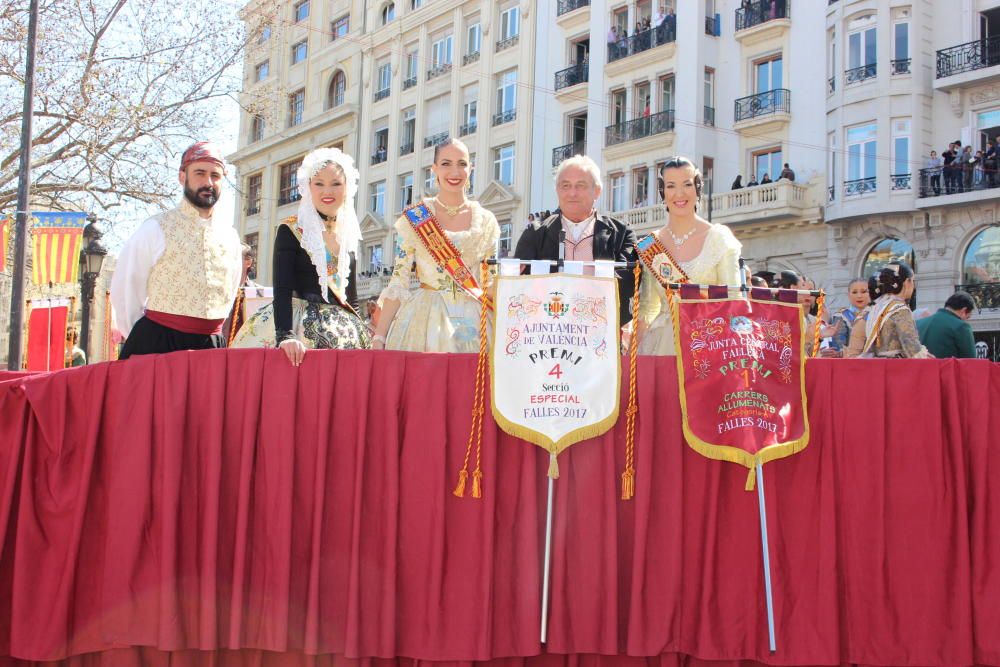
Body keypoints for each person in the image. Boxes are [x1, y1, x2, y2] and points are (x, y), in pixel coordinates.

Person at [232, 148, 370, 363]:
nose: (328, 191)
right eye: (319, 183)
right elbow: (283, 288)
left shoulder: (348, 234)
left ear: (347, 187)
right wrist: (285, 335)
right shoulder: (291, 229)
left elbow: (349, 296)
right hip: (298, 326)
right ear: (308, 187)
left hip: (343, 332)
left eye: (336, 184)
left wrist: (362, 330)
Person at [111, 141, 242, 359]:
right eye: (200, 173)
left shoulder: (230, 237)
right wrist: (138, 336)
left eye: (215, 176)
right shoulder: (155, 227)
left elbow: (229, 294)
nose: (208, 182)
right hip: (158, 344)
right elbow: (126, 286)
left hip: (211, 346)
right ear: (183, 176)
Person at [372, 138, 499, 352]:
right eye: (446, 164)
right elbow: (399, 281)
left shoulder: (486, 221)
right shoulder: (416, 218)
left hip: (474, 319)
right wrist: (380, 337)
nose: (455, 172)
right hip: (423, 318)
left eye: (462, 163)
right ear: (434, 169)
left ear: (471, 168)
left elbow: (491, 282)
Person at [633, 156, 742, 355]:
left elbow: (734, 301)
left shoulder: (719, 238)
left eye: (687, 184)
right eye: (671, 186)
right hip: (661, 348)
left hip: (710, 346)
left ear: (698, 188)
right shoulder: (650, 245)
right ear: (663, 192)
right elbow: (648, 309)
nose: (679, 194)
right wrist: (633, 357)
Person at [514, 154, 637, 328]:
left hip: (601, 333)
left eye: (580, 185)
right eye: (566, 186)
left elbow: (627, 284)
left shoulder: (622, 233)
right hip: (545, 335)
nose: (572, 193)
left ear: (597, 191)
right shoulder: (535, 232)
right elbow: (517, 284)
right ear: (557, 190)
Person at [845, 262, 931, 358]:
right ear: (907, 282)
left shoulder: (875, 307)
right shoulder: (899, 309)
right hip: (896, 367)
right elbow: (912, 349)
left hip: (877, 366)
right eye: (913, 281)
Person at [916, 291, 978, 358]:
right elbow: (971, 362)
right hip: (945, 368)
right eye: (967, 317)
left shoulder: (917, 323)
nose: (966, 320)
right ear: (963, 310)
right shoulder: (961, 327)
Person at [824, 277, 870, 357]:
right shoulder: (841, 316)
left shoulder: (877, 314)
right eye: (854, 292)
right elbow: (838, 347)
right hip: (849, 362)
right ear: (848, 295)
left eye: (863, 292)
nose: (859, 296)